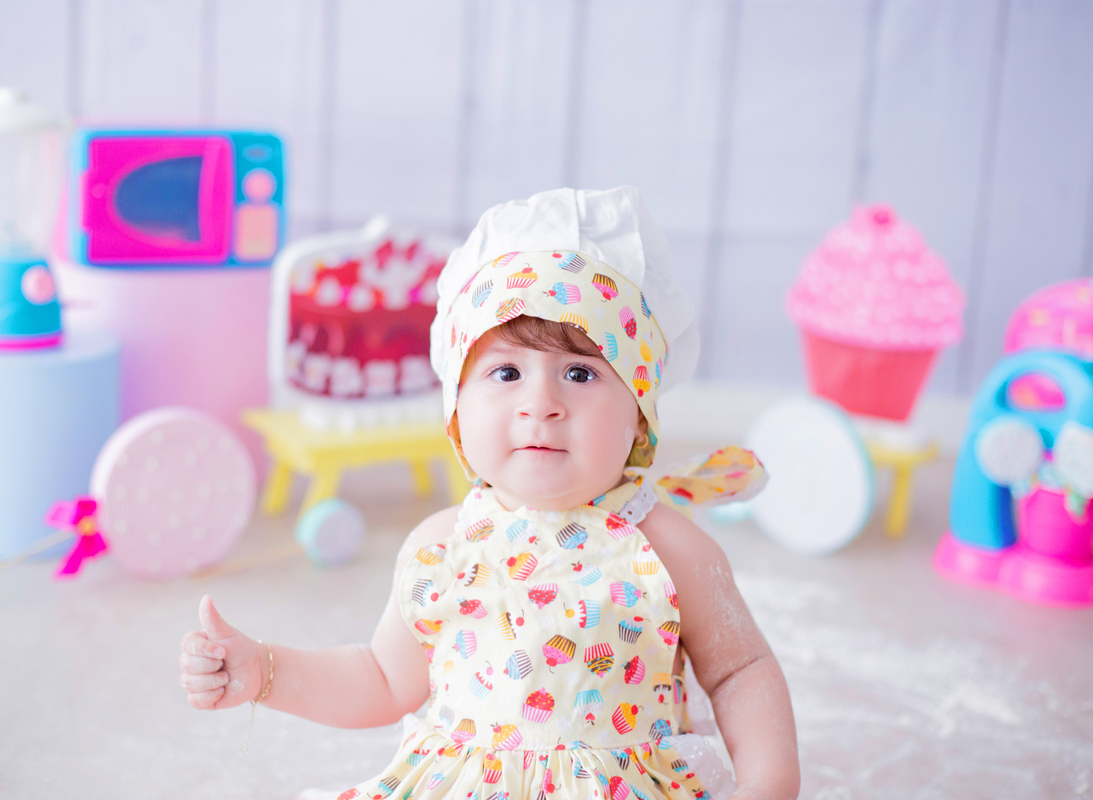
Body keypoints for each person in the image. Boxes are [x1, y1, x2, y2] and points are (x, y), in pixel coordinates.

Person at [178, 187, 800, 799]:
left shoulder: (670, 548)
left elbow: (740, 671)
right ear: (455, 409)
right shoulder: (443, 546)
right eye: (506, 372)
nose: (541, 405)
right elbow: (380, 678)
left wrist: (768, 783)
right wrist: (266, 673)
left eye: (580, 372)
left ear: (640, 411)